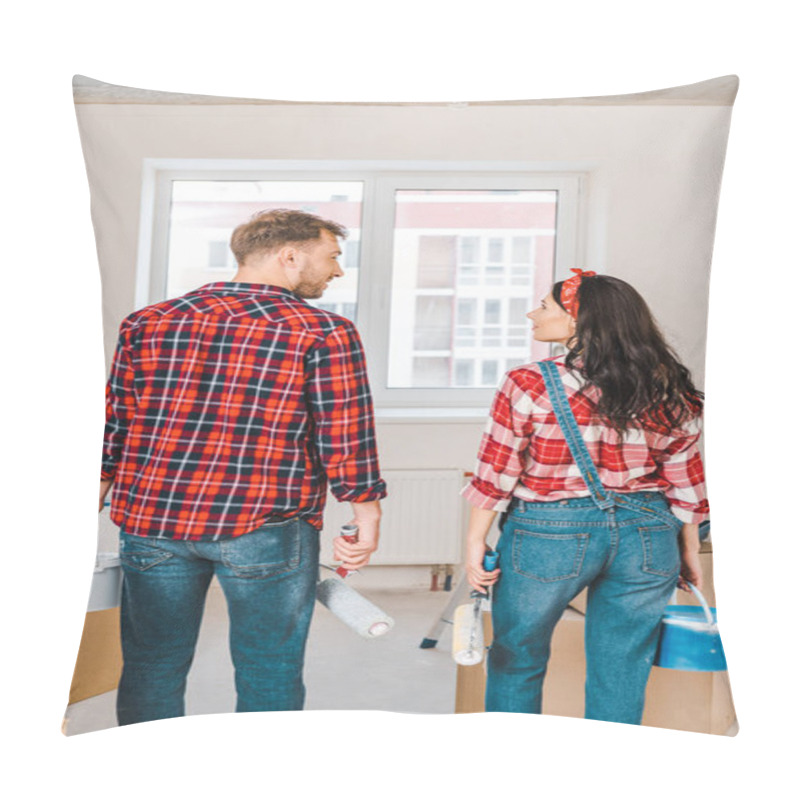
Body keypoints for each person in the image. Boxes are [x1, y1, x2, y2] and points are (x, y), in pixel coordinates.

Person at [99, 209, 387, 725]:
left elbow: (114, 424)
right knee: (269, 667)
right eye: (333, 257)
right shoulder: (323, 331)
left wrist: (94, 495)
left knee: (151, 665)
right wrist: (367, 516)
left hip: (152, 522)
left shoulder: (147, 322)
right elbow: (344, 433)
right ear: (290, 255)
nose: (338, 272)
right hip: (264, 528)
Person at [461, 269, 709, 724]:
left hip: (549, 533)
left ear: (577, 320)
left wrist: (475, 540)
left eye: (545, 306)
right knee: (622, 666)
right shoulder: (671, 387)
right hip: (649, 534)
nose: (532, 313)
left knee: (518, 655)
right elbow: (685, 481)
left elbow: (496, 471)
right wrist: (688, 548)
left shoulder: (528, 383)